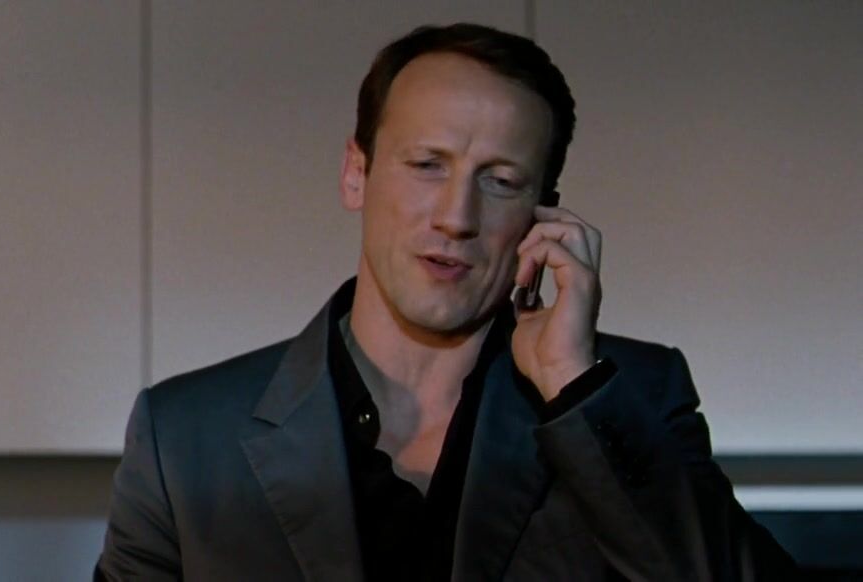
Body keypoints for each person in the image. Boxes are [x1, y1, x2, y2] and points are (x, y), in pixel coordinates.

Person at [96, 23, 795, 580]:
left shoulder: (631, 397)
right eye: (428, 165)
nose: (456, 217)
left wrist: (572, 386)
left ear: (544, 213)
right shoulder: (183, 437)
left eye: (501, 181)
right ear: (356, 173)